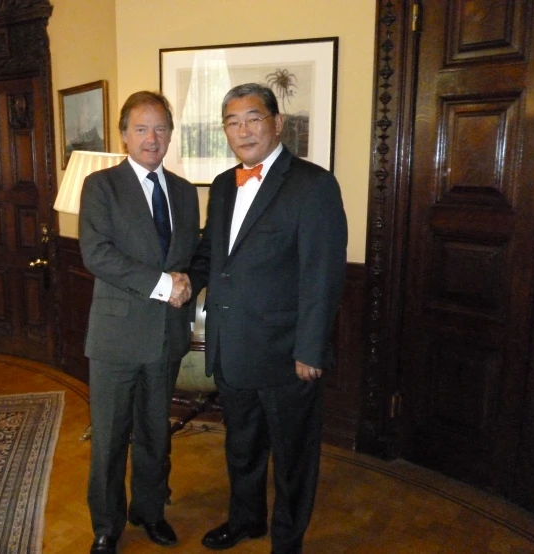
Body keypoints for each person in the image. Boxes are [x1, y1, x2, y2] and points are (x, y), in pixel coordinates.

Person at [188, 83, 347, 554]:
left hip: (286, 353)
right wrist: (179, 281)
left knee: (293, 458)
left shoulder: (313, 184)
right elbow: (211, 254)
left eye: (253, 118)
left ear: (277, 122)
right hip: (232, 346)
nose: (244, 130)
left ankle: (287, 541)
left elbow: (323, 274)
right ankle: (246, 520)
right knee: (242, 446)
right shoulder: (221, 185)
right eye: (233, 122)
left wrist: (310, 350)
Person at [78, 91, 200, 554]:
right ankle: (106, 526)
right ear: (124, 134)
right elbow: (97, 254)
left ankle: (150, 511)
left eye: (162, 128)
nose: (153, 138)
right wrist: (163, 284)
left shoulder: (186, 194)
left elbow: (190, 257)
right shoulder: (101, 186)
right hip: (115, 338)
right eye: (142, 128)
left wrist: (187, 282)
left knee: (155, 434)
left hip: (166, 336)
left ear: (171, 133)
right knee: (109, 439)